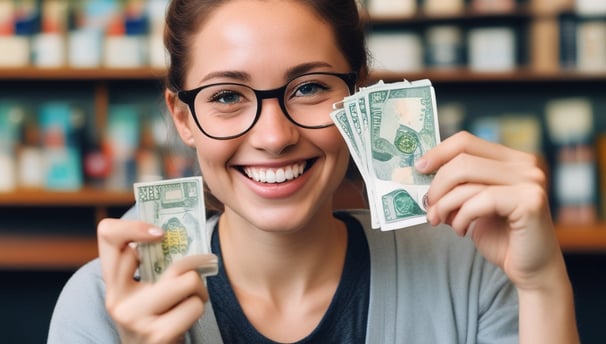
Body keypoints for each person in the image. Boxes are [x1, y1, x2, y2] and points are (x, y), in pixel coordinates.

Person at [48, 0, 580, 343]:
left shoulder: (469, 273)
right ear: (183, 118)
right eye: (228, 96)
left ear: (359, 100)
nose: (274, 137)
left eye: (309, 88)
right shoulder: (101, 305)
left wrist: (542, 286)